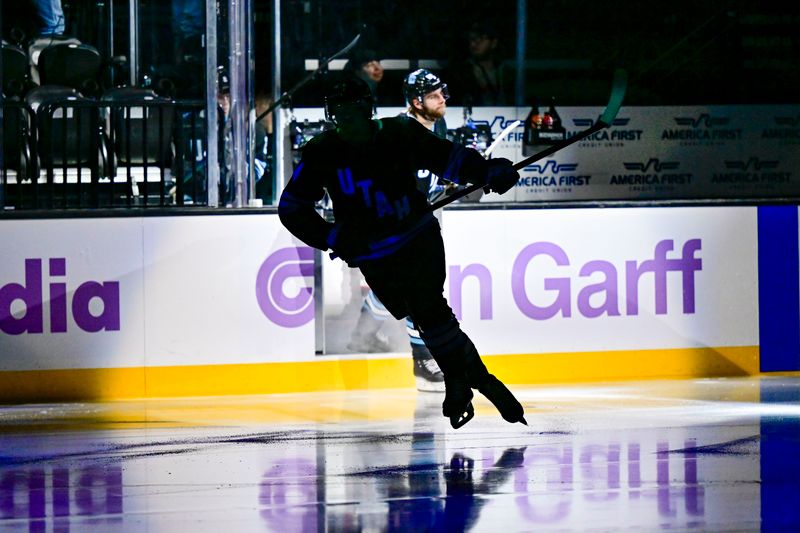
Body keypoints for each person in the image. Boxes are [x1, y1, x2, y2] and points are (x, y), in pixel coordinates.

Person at [277, 75, 526, 429]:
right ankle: (472, 377)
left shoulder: (399, 132)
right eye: (342, 112)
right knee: (424, 315)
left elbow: (450, 159)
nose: (350, 118)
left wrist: (488, 170)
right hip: (375, 256)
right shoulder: (322, 151)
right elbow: (291, 208)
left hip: (416, 238)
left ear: (368, 108)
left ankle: (466, 382)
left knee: (428, 308)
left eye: (356, 109)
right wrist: (331, 235)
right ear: (332, 115)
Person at [347, 68, 451, 392]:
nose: (442, 99)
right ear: (417, 101)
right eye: (434, 95)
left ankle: (361, 336)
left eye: (442, 93)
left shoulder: (440, 127)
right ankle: (421, 361)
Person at [448, 21, 508, 106]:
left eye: (480, 39)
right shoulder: (461, 72)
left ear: (494, 43)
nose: (473, 44)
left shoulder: (505, 71)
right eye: (471, 39)